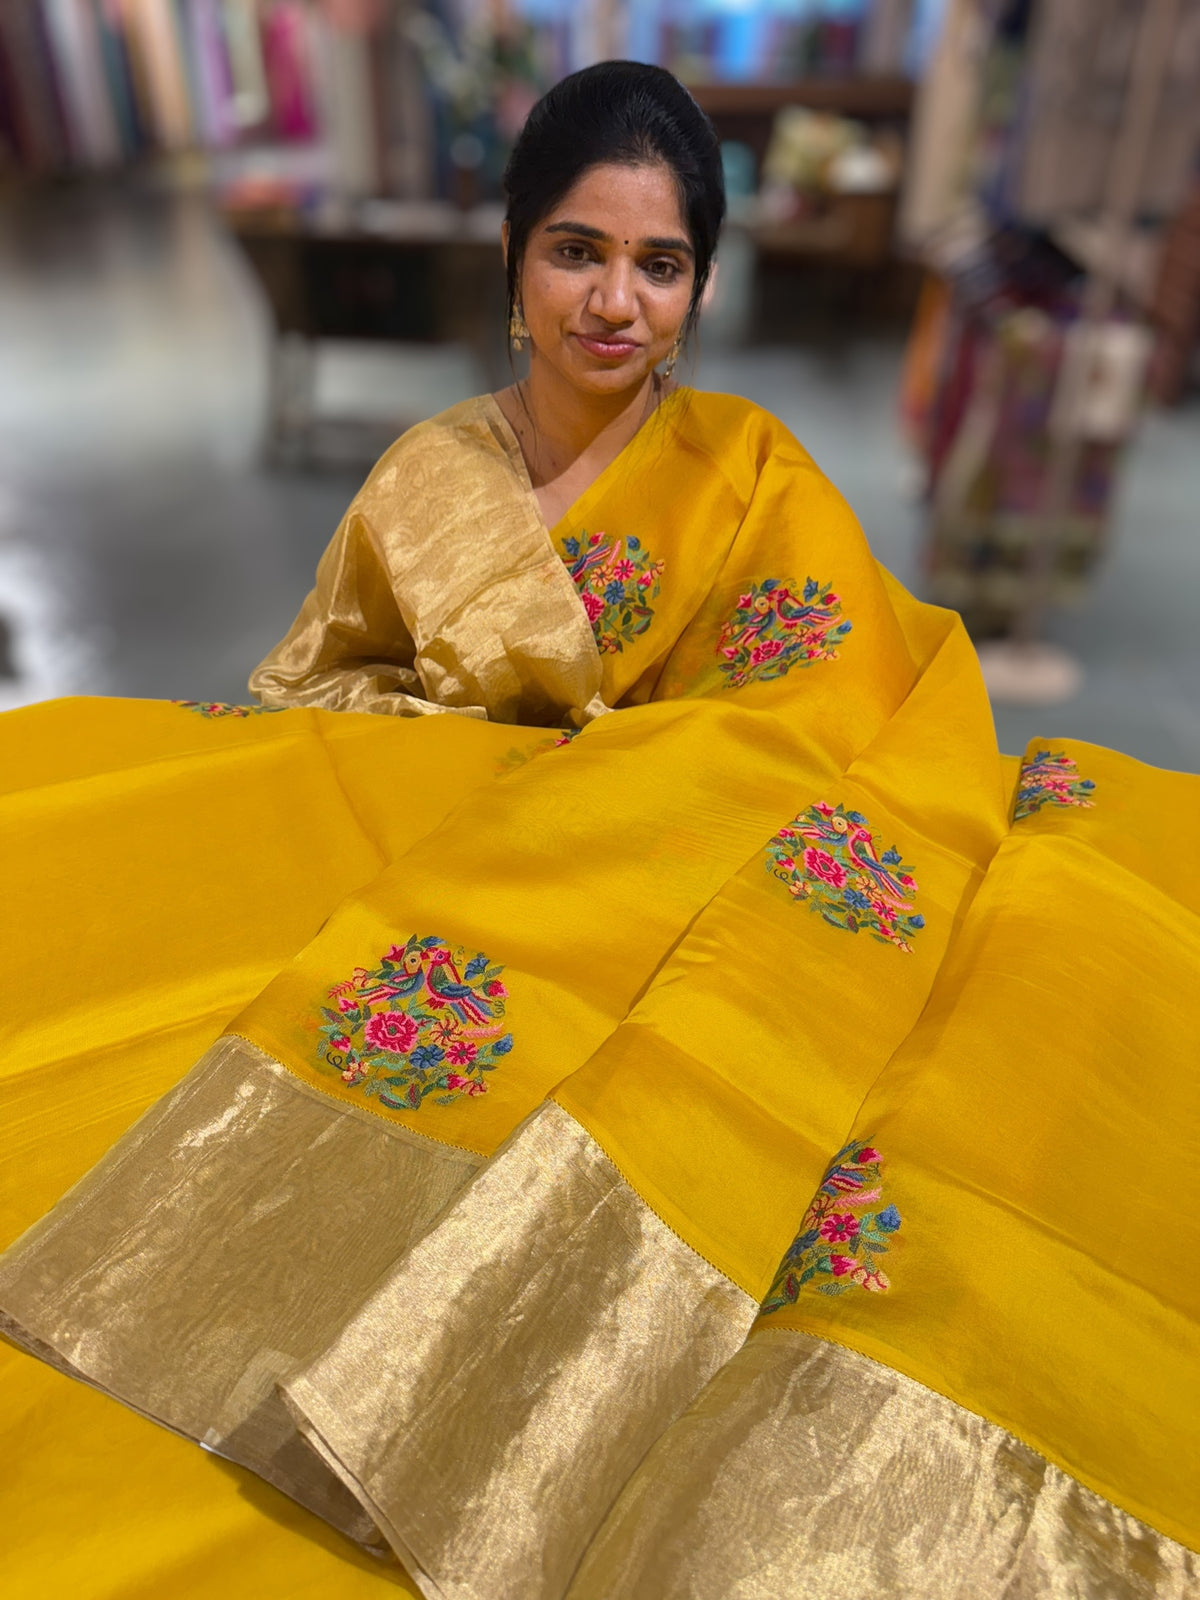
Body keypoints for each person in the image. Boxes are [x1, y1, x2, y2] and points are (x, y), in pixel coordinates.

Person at [0, 61, 1196, 1600]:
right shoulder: (425, 482)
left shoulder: (751, 475)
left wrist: (623, 782)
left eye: (661, 261)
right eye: (578, 250)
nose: (616, 301)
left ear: (701, 279)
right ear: (514, 256)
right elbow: (313, 690)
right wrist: (483, 763)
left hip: (681, 886)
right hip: (463, 872)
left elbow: (821, 702)